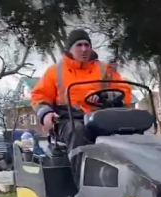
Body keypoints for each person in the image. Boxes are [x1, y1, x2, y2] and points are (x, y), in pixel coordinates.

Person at [30, 29, 132, 162]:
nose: (84, 49)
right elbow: (39, 95)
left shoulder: (104, 69)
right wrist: (46, 114)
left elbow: (124, 90)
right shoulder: (55, 71)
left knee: (129, 130)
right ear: (69, 49)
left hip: (100, 118)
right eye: (79, 45)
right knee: (77, 131)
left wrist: (104, 96)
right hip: (67, 119)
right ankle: (82, 177)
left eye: (86, 45)